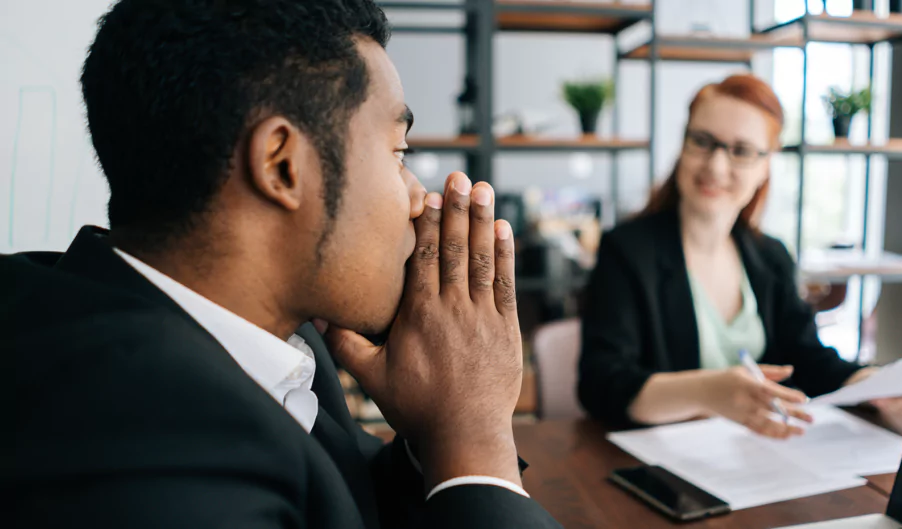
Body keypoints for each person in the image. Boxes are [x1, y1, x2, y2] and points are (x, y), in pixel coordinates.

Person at [4, 1, 561, 528]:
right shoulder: (137, 429)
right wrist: (477, 438)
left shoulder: (273, 339)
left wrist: (440, 434)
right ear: (282, 166)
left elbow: (337, 496)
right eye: (399, 153)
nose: (420, 198)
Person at [577, 74, 902, 439]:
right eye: (702, 142)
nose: (716, 166)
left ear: (765, 167)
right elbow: (601, 386)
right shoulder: (627, 250)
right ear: (683, 145)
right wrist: (707, 392)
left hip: (755, 456)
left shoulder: (770, 257)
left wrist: (871, 383)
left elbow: (804, 358)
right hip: (654, 466)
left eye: (741, 151)